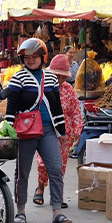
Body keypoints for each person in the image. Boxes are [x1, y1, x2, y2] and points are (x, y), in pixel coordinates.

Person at [5, 38, 72, 223]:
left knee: (56, 169)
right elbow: (12, 108)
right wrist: (9, 131)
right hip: (25, 133)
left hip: (48, 131)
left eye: (35, 56)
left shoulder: (50, 77)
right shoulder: (18, 78)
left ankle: (57, 212)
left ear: (43, 57)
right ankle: (20, 210)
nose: (31, 60)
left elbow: (57, 107)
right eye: (27, 57)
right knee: (22, 173)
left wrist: (62, 132)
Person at [33, 54, 82, 208]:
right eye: (57, 76)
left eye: (62, 77)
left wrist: (77, 131)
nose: (60, 80)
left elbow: (75, 111)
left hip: (64, 135)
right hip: (44, 131)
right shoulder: (40, 87)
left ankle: (57, 196)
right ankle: (40, 188)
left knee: (59, 166)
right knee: (43, 164)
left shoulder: (69, 90)